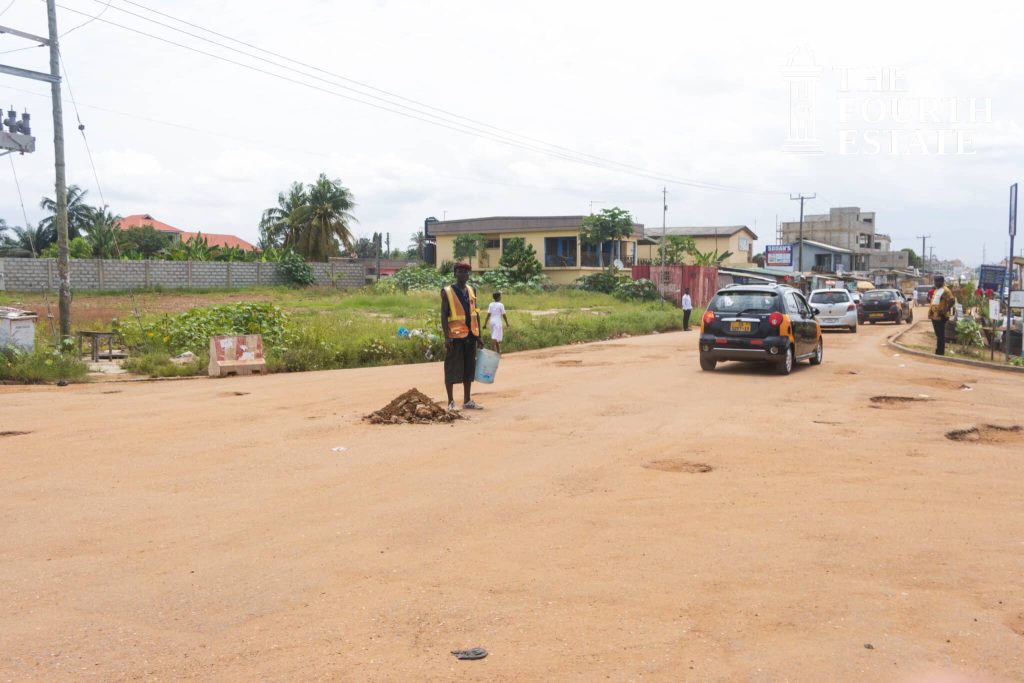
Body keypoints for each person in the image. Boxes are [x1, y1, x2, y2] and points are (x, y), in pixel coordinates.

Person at [441, 262, 484, 411]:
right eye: (459, 271)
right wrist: (446, 337)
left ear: (468, 275)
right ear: (455, 274)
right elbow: (443, 315)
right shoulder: (447, 292)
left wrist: (479, 335)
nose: (463, 274)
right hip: (455, 337)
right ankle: (451, 402)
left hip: (471, 335)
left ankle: (467, 400)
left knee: (469, 368)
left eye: (465, 272)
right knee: (451, 368)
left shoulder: (472, 290)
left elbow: (476, 312)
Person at [928, 275, 956, 356]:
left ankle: (940, 352)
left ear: (941, 282)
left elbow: (952, 300)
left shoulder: (946, 290)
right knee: (938, 334)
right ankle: (938, 351)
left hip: (941, 316)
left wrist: (944, 310)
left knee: (940, 335)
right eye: (935, 281)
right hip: (934, 316)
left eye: (937, 281)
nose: (935, 283)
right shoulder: (937, 290)